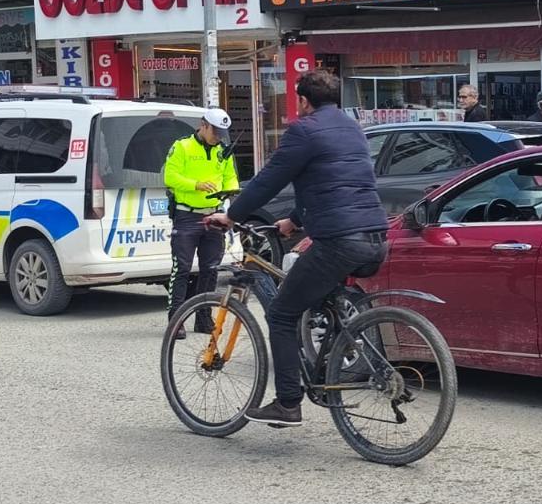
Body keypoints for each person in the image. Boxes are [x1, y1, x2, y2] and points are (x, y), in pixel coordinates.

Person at [207, 70, 388, 428]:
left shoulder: (304, 131)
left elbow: (267, 182)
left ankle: (288, 403)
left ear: (303, 101)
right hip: (375, 237)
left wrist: (231, 216)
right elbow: (335, 184)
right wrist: (293, 220)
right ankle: (331, 365)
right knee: (318, 297)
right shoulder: (353, 129)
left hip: (338, 240)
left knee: (281, 313)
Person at [163, 107, 239, 340]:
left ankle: (204, 318)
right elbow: (170, 177)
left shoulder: (223, 151)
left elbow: (230, 177)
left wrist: (230, 191)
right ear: (203, 125)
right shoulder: (182, 146)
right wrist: (196, 185)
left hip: (214, 215)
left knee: (211, 269)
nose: (218, 137)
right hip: (187, 215)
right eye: (215, 132)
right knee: (182, 269)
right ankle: (176, 320)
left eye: (222, 133)